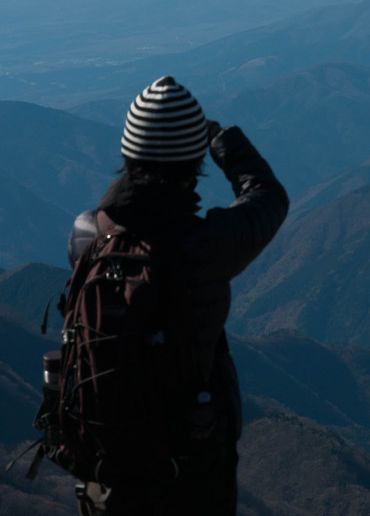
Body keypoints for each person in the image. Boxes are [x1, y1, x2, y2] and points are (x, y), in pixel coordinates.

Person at [66, 74, 289, 516]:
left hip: (103, 471)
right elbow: (267, 197)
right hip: (191, 468)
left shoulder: (87, 237)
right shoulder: (204, 247)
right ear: (193, 161)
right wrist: (222, 140)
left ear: (128, 155)